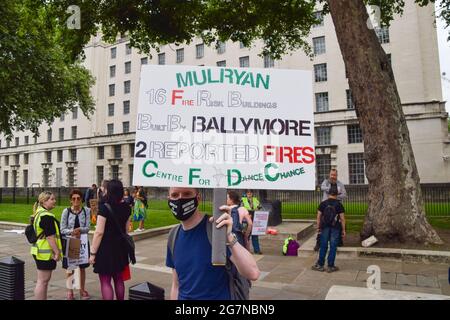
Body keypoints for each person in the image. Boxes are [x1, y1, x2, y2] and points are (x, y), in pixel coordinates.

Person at [166, 187, 260, 300]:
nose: (180, 199)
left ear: (198, 198)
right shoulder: (173, 235)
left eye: (187, 194)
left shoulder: (217, 228)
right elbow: (176, 285)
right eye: (175, 195)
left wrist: (229, 238)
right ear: (169, 199)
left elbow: (253, 273)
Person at [89, 179, 131, 300]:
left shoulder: (104, 208)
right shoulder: (127, 208)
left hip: (105, 248)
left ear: (109, 191)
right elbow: (126, 230)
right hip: (121, 247)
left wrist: (92, 253)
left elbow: (99, 232)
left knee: (105, 281)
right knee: (119, 279)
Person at [30, 191, 63, 300]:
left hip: (38, 251)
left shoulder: (38, 213)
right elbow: (50, 237)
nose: (55, 201)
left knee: (42, 281)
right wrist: (57, 252)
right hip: (45, 253)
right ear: (44, 201)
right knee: (43, 281)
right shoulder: (46, 216)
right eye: (52, 199)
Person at [60, 189, 91, 300]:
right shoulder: (66, 211)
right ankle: (70, 291)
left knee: (82, 267)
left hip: (82, 242)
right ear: (70, 200)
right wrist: (72, 232)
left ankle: (82, 289)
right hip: (71, 241)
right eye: (74, 198)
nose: (76, 200)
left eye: (78, 198)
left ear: (82, 200)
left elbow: (88, 228)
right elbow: (62, 229)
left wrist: (79, 229)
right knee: (70, 267)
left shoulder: (86, 210)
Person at [312, 184, 346, 273]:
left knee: (323, 246)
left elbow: (318, 217)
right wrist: (343, 230)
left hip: (325, 227)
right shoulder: (339, 205)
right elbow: (342, 219)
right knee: (333, 246)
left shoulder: (323, 204)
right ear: (337, 194)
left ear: (329, 193)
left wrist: (318, 228)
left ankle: (320, 265)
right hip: (335, 228)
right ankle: (330, 266)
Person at [315, 169, 347, 251]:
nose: (333, 176)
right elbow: (322, 187)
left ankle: (339, 241)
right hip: (325, 207)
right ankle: (318, 243)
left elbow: (344, 195)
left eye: (334, 175)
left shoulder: (340, 184)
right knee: (322, 225)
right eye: (331, 174)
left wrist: (335, 195)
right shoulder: (326, 182)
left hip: (336, 208)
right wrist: (331, 190)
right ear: (329, 175)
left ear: (337, 175)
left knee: (338, 224)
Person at [241, 189, 263, 254]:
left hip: (255, 217)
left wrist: (257, 208)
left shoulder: (255, 200)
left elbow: (260, 206)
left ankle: (257, 250)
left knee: (255, 235)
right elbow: (241, 208)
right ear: (246, 194)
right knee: (246, 235)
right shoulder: (243, 200)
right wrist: (247, 213)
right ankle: (245, 250)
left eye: (250, 192)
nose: (249, 194)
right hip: (246, 218)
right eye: (248, 192)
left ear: (252, 193)